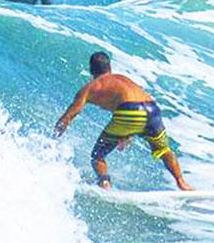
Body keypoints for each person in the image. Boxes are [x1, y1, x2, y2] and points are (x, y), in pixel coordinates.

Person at [54, 52, 193, 191]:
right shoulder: (124, 79)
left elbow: (71, 114)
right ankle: (181, 182)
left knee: (98, 156)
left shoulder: (90, 88)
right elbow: (138, 106)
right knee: (163, 150)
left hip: (129, 113)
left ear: (91, 69)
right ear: (109, 67)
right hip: (152, 110)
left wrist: (56, 133)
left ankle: (105, 184)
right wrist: (127, 133)